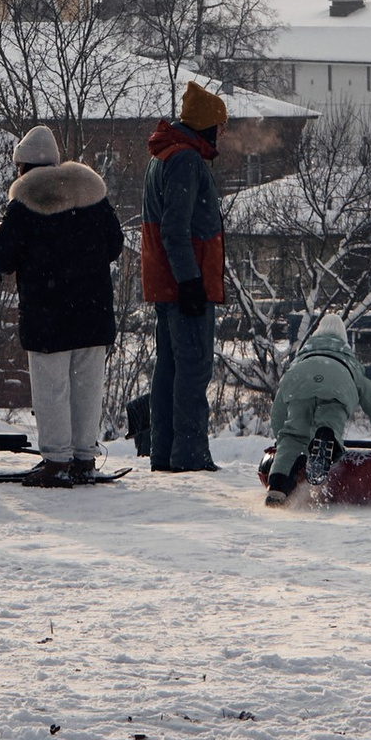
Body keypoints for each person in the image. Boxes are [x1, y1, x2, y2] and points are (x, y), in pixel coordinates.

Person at [0, 124, 123, 485]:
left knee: (52, 390)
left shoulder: (26, 204)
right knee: (87, 388)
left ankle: (56, 461)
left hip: (48, 316)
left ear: (24, 168)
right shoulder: (92, 196)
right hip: (93, 312)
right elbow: (115, 245)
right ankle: (83, 458)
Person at [139, 80, 228, 472]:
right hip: (184, 285)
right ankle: (190, 455)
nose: (221, 134)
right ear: (206, 125)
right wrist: (191, 282)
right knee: (193, 368)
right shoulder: (187, 160)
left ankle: (165, 452)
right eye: (219, 126)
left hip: (164, 284)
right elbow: (177, 229)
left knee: (169, 367)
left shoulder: (162, 155)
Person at [261, 310, 371, 507]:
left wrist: (280, 438)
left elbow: (277, 413)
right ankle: (327, 436)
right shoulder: (349, 362)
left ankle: (277, 486)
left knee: (292, 436)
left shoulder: (302, 359)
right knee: (331, 417)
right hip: (338, 381)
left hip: (299, 380)